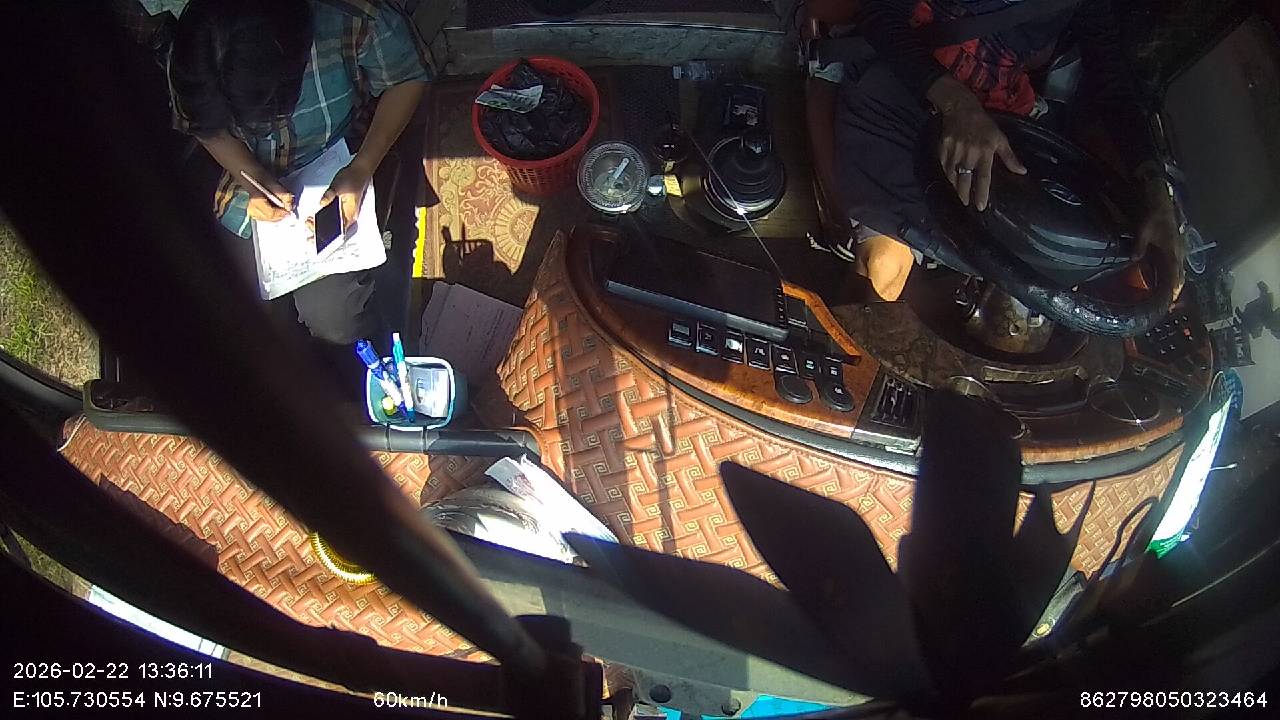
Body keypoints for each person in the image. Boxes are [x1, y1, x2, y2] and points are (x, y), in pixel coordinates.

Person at [807, 0, 1185, 302]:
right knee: (884, 269)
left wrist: (1157, 192)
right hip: (905, 76)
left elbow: (1113, 86)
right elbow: (880, 14)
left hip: (1002, 112)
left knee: (1039, 279)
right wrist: (957, 104)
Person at [168, 0, 429, 344]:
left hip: (339, 157)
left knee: (336, 322)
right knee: (234, 316)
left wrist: (362, 167)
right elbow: (203, 126)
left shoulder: (351, 16)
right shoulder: (195, 54)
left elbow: (408, 77)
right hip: (246, 183)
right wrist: (250, 176)